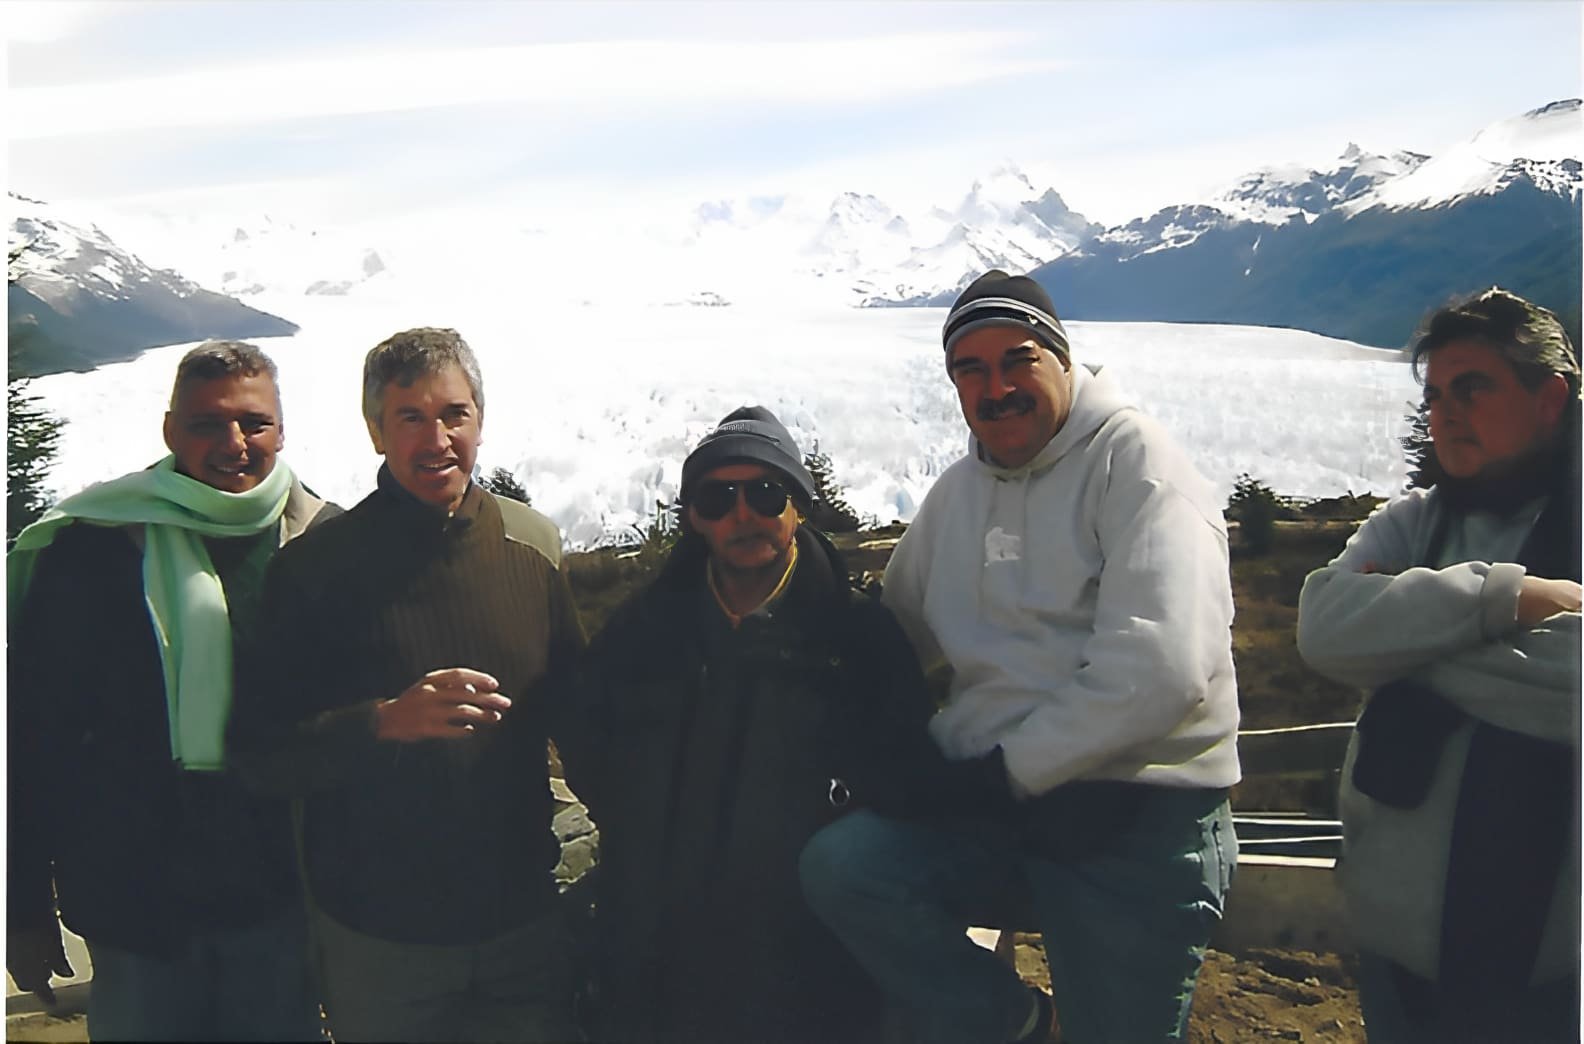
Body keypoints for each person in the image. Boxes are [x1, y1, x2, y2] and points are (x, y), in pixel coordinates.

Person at [799, 270, 1242, 1043]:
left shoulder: (1137, 466)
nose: (995, 387)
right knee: (846, 869)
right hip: (994, 805)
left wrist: (1001, 773)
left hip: (1134, 808)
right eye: (970, 370)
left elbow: (1162, 670)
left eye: (1017, 360)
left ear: (1063, 361)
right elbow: (894, 632)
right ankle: (1011, 1024)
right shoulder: (962, 491)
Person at [225, 327, 584, 1043]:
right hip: (382, 943)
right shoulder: (315, 570)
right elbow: (258, 755)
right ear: (375, 432)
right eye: (410, 418)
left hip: (522, 926)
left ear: (480, 419)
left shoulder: (532, 547)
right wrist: (382, 722)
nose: (437, 438)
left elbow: (583, 720)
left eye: (454, 414)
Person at [554, 405, 944, 1044]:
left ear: (798, 505)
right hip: (659, 966)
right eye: (718, 497)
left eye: (766, 492)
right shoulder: (642, 634)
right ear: (695, 519)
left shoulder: (858, 639)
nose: (743, 514)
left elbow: (907, 782)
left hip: (810, 973)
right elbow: (588, 744)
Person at [7, 341, 333, 1042]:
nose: (234, 444)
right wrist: (24, 904)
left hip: (282, 900)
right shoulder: (93, 549)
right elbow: (34, 735)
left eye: (254, 423)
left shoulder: (324, 543)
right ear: (169, 431)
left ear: (283, 427)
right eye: (207, 424)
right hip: (137, 905)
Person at [1297, 288, 1580, 1043]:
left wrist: (1408, 649)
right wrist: (1508, 599)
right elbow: (1323, 625)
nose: (1447, 411)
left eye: (1474, 387)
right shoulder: (1414, 520)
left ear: (1549, 399)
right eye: (1436, 394)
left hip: (1553, 973)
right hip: (1401, 960)